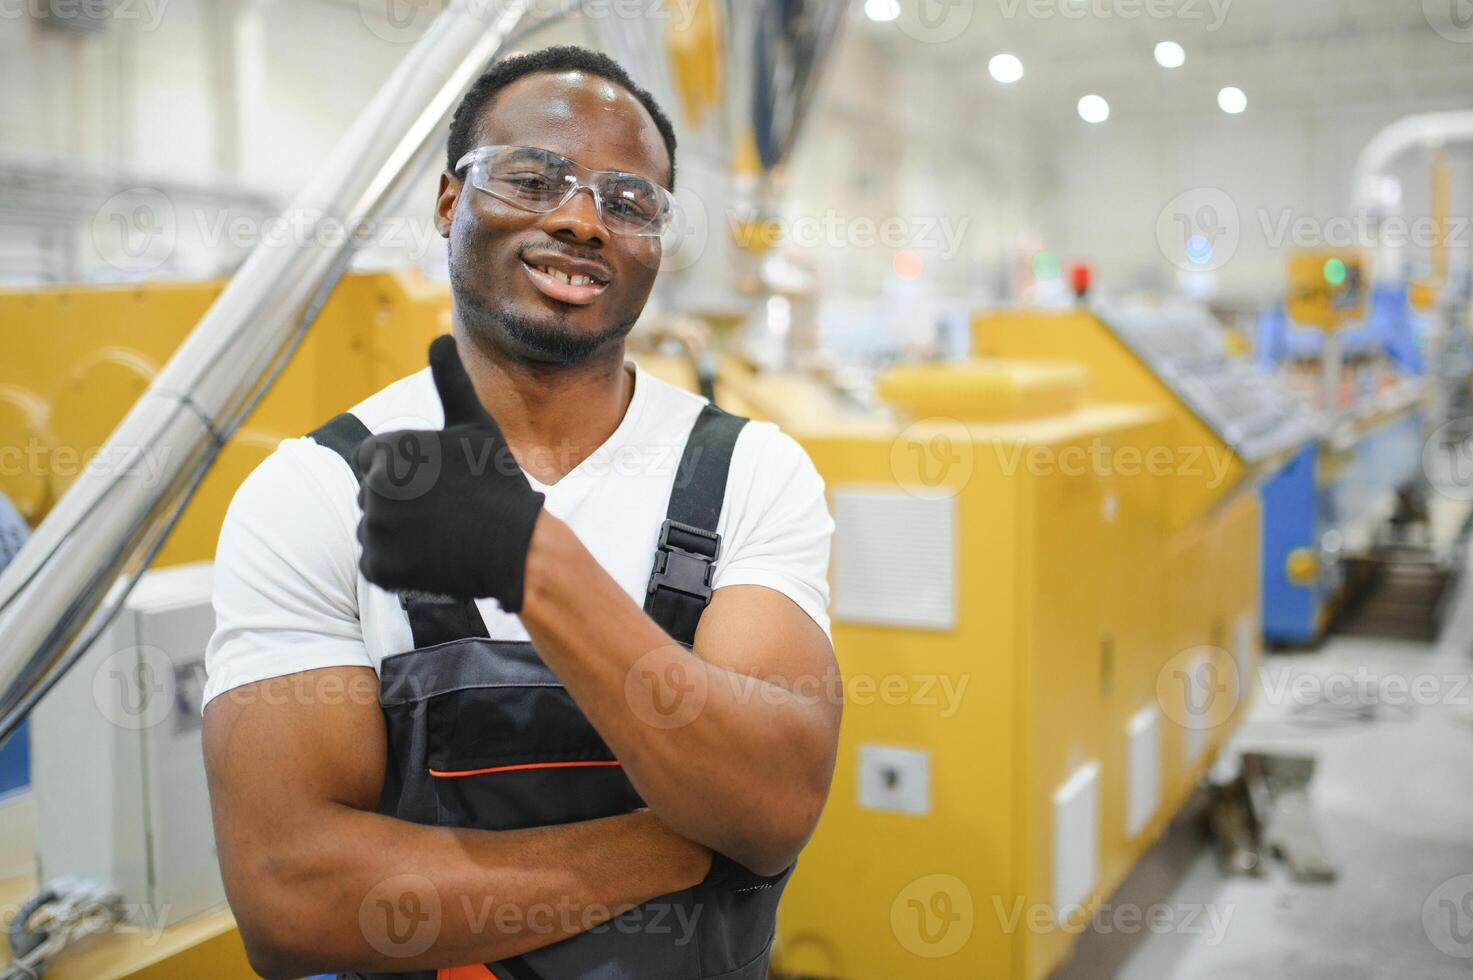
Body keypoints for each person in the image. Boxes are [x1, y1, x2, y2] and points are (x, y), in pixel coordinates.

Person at [201, 45, 840, 980]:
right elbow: (292, 900)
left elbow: (774, 803)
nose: (582, 220)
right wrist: (663, 850)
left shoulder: (750, 471)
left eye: (629, 202)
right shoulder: (313, 491)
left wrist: (529, 562)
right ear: (451, 202)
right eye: (534, 178)